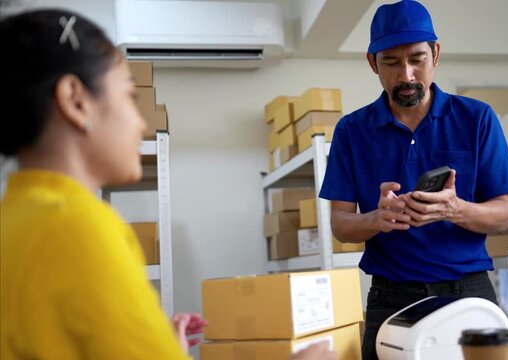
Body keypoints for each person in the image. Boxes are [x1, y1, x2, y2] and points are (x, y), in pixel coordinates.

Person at [0, 9, 334, 360]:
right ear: (75, 100)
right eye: (130, 96)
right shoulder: (79, 226)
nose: (139, 121)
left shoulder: (16, 218)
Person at [318, 1, 508, 359]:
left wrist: (454, 209)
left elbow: (504, 216)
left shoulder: (477, 118)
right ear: (372, 63)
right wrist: (376, 219)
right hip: (391, 299)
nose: (407, 76)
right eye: (392, 63)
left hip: (469, 290)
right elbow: (341, 224)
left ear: (436, 54)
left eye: (417, 59)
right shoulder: (351, 131)